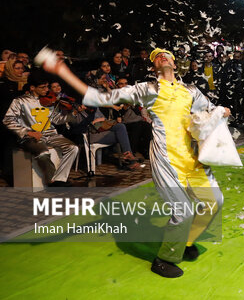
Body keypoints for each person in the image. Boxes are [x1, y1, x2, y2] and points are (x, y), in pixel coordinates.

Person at [41, 47, 230, 278]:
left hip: (193, 160)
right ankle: (164, 259)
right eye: (156, 56)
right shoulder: (146, 89)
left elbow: (208, 110)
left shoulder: (191, 90)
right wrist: (62, 70)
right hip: (166, 161)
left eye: (166, 54)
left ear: (174, 61)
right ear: (153, 67)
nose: (162, 56)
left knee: (214, 201)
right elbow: (99, 97)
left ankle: (187, 241)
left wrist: (222, 111)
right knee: (183, 212)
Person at [3, 73, 79, 186]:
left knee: (73, 148)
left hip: (51, 134)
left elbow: (56, 120)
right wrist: (28, 132)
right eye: (43, 87)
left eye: (47, 86)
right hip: (30, 137)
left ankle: (60, 179)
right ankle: (53, 181)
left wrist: (72, 115)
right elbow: (8, 120)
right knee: (43, 153)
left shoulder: (48, 100)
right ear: (32, 87)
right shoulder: (20, 101)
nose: (46, 90)